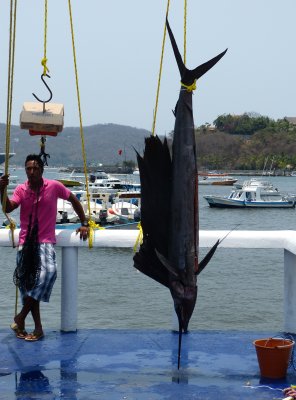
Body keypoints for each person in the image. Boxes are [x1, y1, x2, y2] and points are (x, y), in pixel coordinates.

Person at [0, 154, 90, 341]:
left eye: (35, 168)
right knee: (27, 288)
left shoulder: (54, 186)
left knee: (49, 272)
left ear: (42, 170)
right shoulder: (21, 189)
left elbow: (73, 200)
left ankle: (21, 317)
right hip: (26, 242)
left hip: (45, 241)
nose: (31, 172)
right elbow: (8, 208)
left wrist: (84, 222)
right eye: (28, 169)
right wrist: (1, 191)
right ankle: (38, 329)